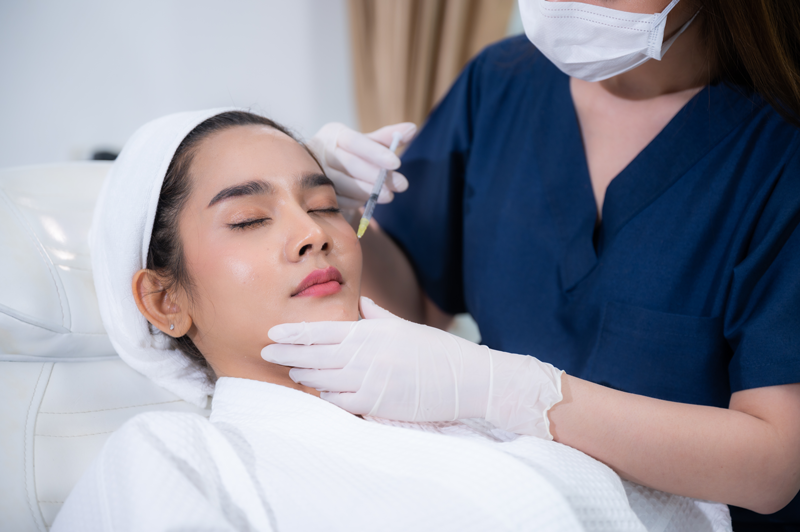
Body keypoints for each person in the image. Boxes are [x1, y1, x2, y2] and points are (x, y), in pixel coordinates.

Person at [54, 108, 729, 531]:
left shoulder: (471, 407)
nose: (313, 234)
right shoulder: (170, 459)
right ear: (165, 301)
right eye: (249, 219)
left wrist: (513, 392)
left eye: (324, 205)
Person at [261, 1, 800, 529]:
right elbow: (413, 301)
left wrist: (517, 392)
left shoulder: (780, 146)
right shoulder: (500, 86)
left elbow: (775, 464)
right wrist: (332, 210)